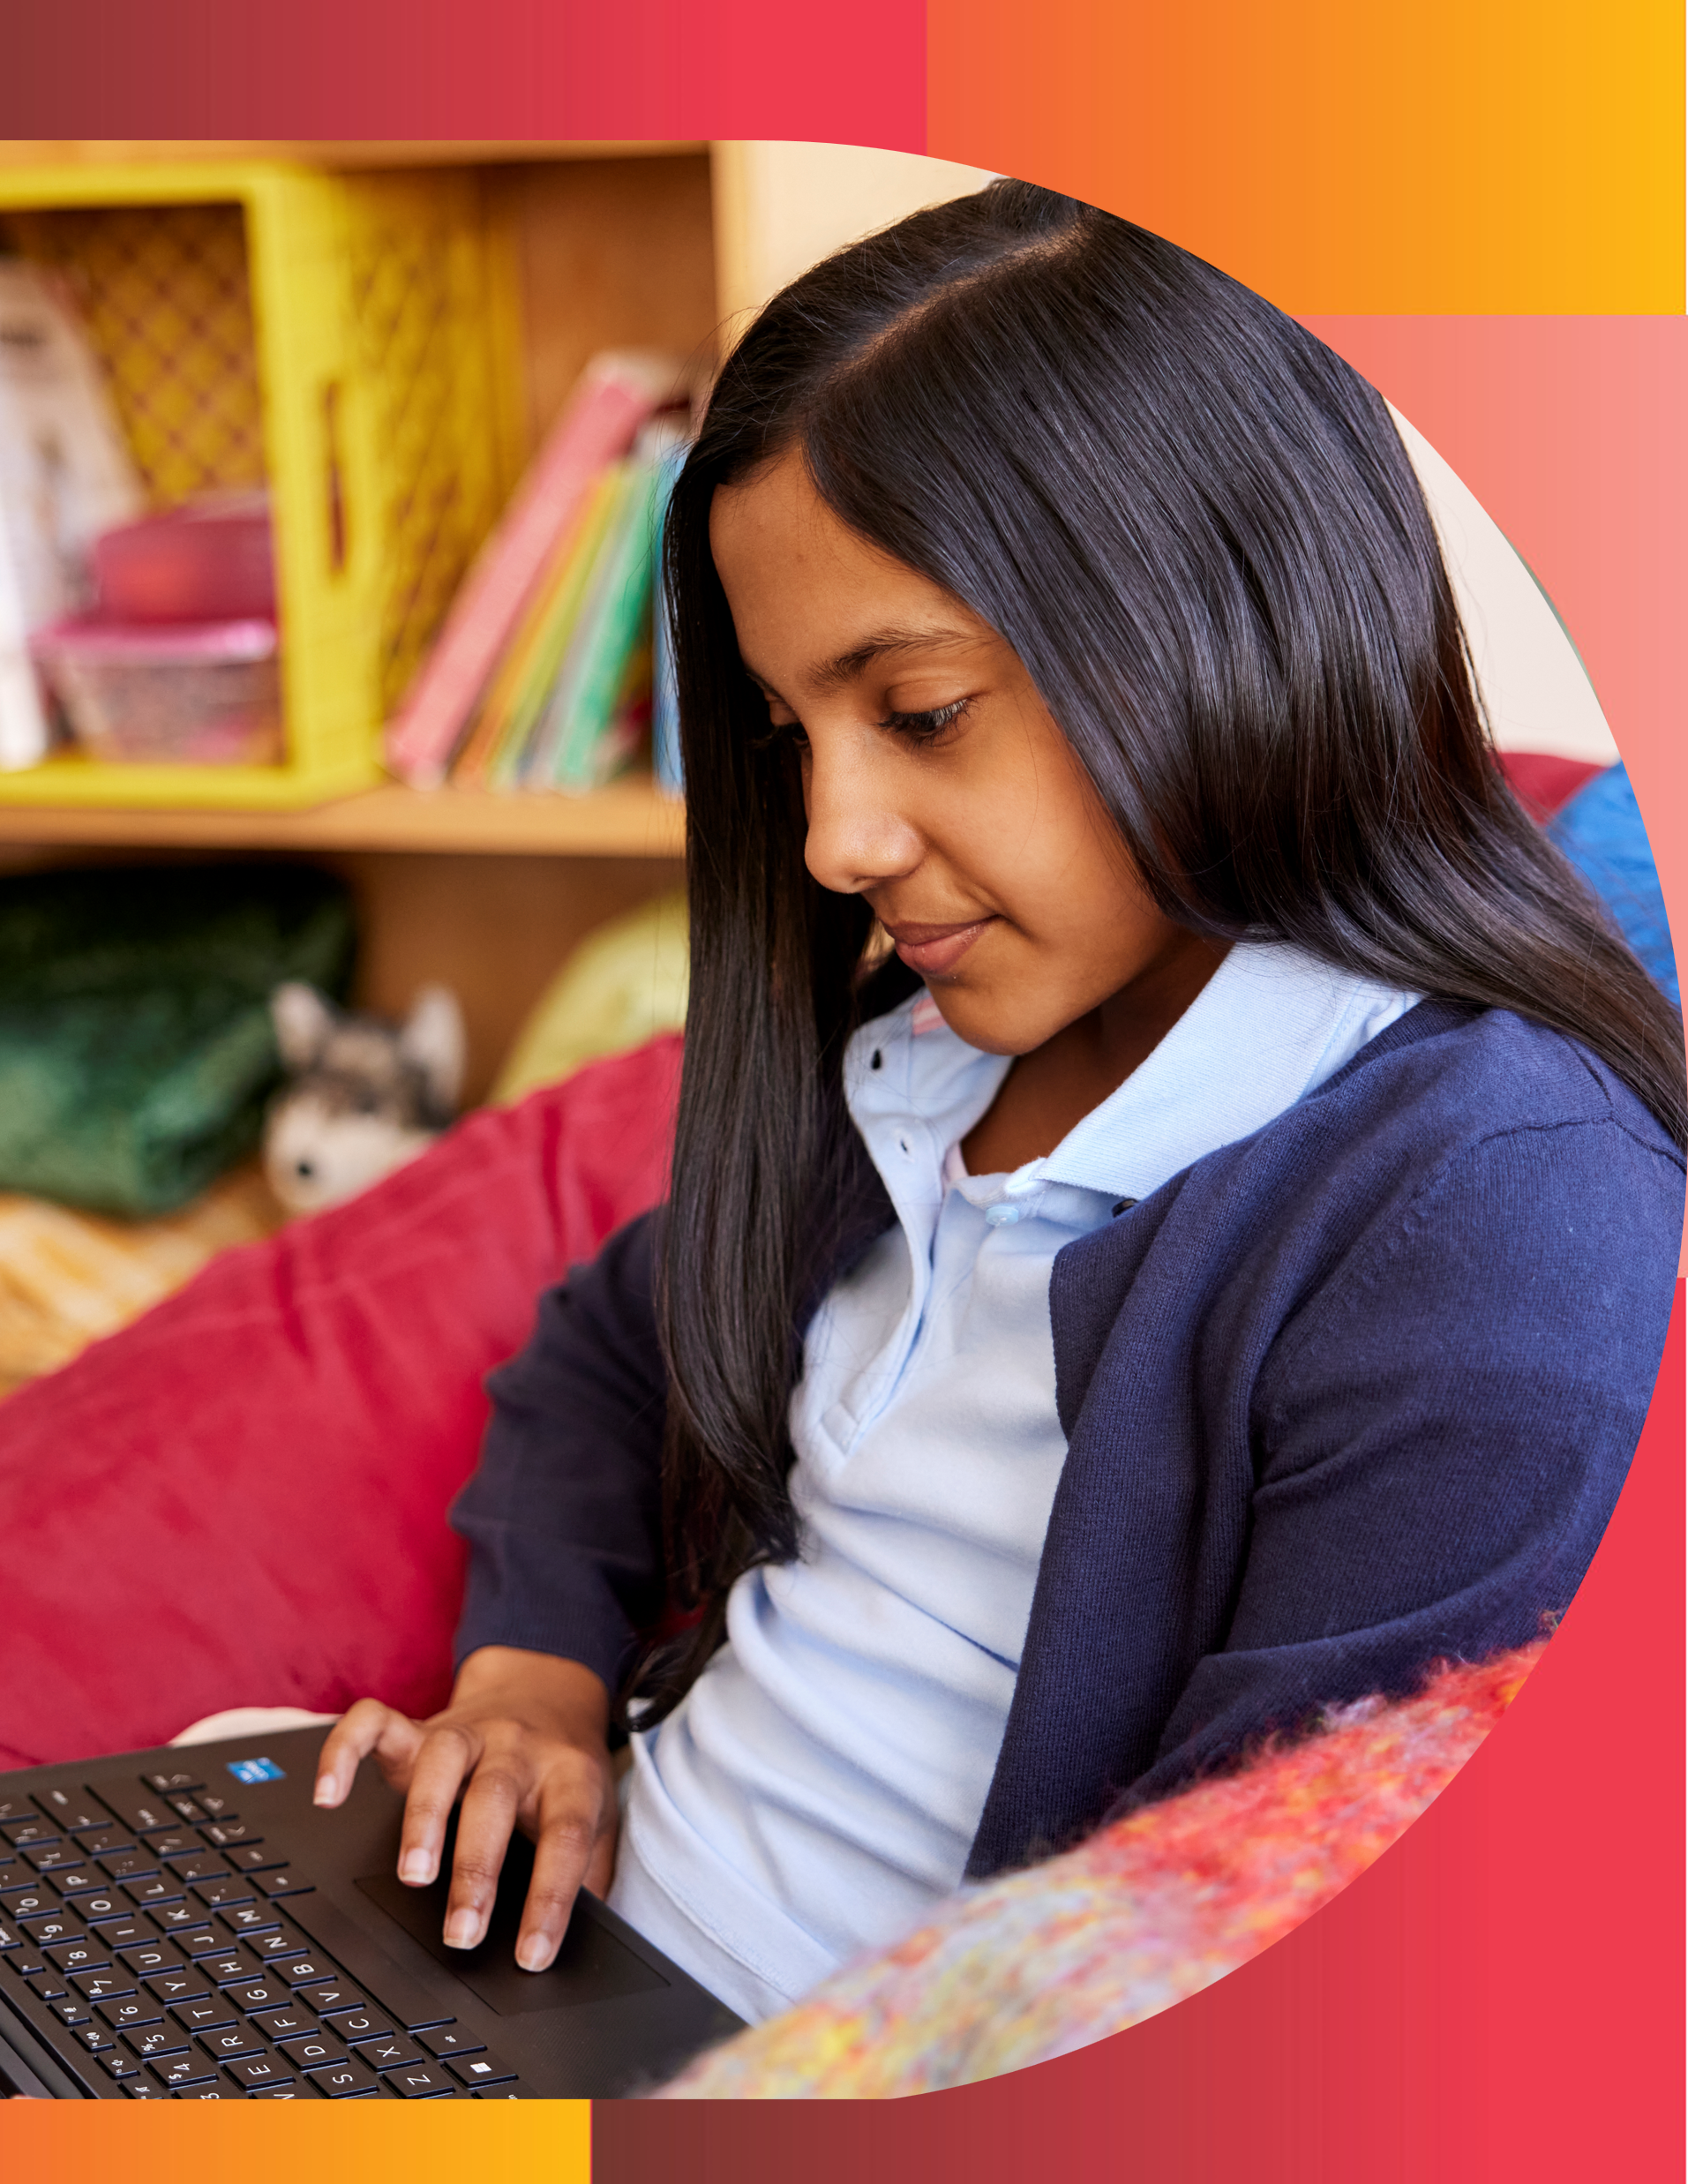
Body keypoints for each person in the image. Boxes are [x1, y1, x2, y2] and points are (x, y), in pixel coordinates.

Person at [312, 179, 1688, 2025]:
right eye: (796, 736)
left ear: (1231, 631)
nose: (833, 840)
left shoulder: (1494, 1210)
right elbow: (613, 1349)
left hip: (831, 2068)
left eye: (926, 711)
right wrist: (532, 1681)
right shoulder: (928, 1055)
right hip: (566, 1954)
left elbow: (1239, 1945)